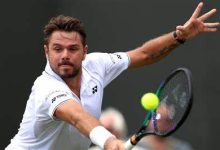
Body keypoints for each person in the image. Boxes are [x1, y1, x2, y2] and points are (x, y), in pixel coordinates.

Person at [5, 2, 219, 150]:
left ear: (85, 51)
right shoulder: (45, 88)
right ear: (46, 51)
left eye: (72, 49)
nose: (65, 56)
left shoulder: (96, 65)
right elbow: (78, 117)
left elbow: (143, 54)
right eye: (57, 49)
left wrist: (178, 37)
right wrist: (108, 141)